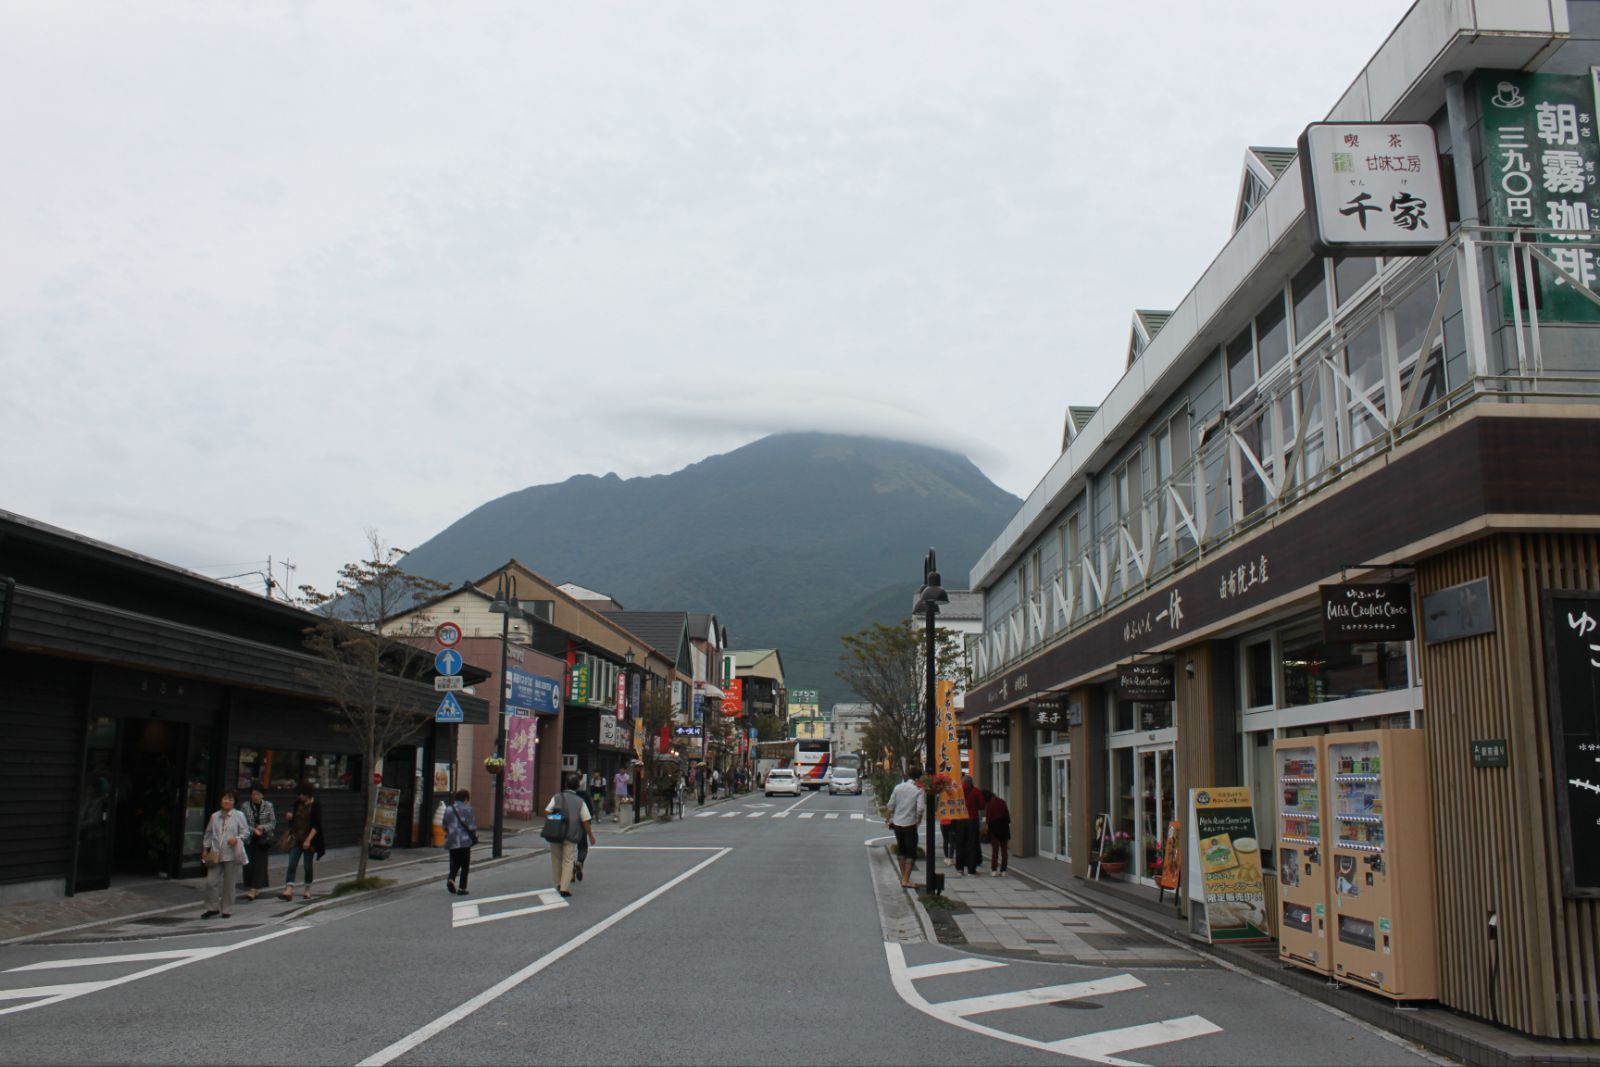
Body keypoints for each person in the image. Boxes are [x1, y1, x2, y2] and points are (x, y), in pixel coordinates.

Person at [546, 772, 596, 897]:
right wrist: (590, 835)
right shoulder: (580, 801)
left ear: (565, 784)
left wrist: (556, 818)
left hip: (555, 833)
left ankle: (558, 883)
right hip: (571, 833)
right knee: (568, 860)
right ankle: (564, 888)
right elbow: (585, 821)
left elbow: (547, 811)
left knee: (556, 859)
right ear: (577, 786)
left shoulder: (557, 797)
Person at [201, 790, 249, 919]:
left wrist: (237, 838)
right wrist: (205, 848)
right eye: (225, 799)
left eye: (230, 799)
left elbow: (246, 832)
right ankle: (212, 908)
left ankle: (227, 909)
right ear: (221, 800)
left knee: (229, 883)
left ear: (234, 802)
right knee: (211, 882)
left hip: (231, 853)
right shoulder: (214, 816)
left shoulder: (239, 815)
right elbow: (209, 833)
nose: (227, 801)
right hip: (215, 853)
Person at [278, 782, 324, 901]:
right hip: (296, 838)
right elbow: (296, 820)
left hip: (310, 840)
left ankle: (307, 889)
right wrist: (291, 817)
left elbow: (316, 826)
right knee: (292, 863)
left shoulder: (316, 805)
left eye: (301, 794)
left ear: (307, 794)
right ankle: (288, 889)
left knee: (308, 866)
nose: (299, 797)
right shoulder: (298, 803)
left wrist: (308, 840)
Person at [885, 765, 926, 889]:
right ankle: (905, 879)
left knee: (901, 850)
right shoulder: (919, 789)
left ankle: (904, 877)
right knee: (911, 852)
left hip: (897, 823)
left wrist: (887, 819)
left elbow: (890, 805)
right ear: (920, 777)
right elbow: (920, 809)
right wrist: (918, 820)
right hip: (910, 824)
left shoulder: (898, 787)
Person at [240, 783, 276, 901]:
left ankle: (254, 889)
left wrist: (262, 827)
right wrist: (253, 830)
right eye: (253, 794)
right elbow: (242, 823)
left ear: (262, 795)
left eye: (258, 794)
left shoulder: (268, 806)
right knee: (249, 863)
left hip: (263, 839)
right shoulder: (245, 806)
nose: (255, 796)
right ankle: (250, 886)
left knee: (260, 864)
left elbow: (273, 823)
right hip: (250, 838)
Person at [442, 788, 478, 895]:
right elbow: (471, 826)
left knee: (455, 862)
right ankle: (462, 888)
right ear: (466, 799)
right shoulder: (468, 809)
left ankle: (451, 879)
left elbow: (444, 825)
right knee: (465, 864)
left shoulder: (448, 809)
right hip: (464, 841)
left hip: (452, 840)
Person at [959, 775, 984, 876]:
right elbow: (982, 805)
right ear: (971, 782)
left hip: (960, 820)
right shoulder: (976, 791)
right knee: (972, 844)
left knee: (960, 844)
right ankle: (971, 870)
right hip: (972, 820)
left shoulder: (959, 791)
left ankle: (960, 869)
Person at [983, 789, 1012, 876]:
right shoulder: (1002, 802)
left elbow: (988, 820)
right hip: (1004, 828)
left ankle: (994, 870)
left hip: (994, 830)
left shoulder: (989, 805)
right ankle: (1003, 870)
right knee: (1004, 851)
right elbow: (1008, 817)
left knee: (995, 851)